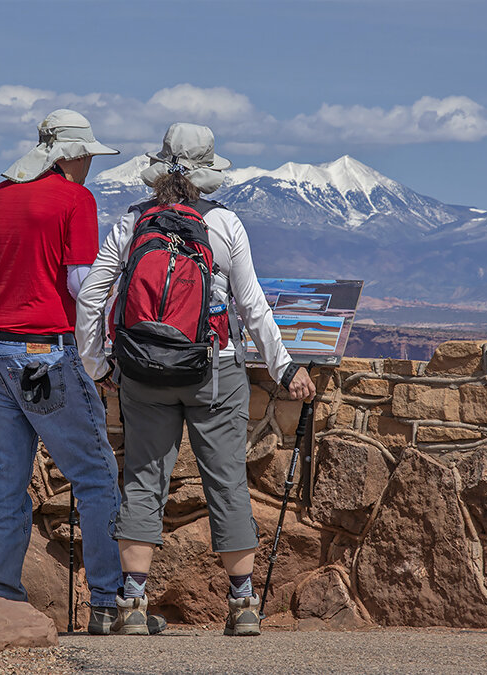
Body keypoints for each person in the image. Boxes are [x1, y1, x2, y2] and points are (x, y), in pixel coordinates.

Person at [76, 122, 317, 636]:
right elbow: (252, 306)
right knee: (226, 480)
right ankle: (243, 605)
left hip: (142, 370)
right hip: (214, 368)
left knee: (143, 480)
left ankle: (133, 605)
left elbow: (92, 295)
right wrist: (286, 367)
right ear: (208, 173)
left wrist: (99, 364)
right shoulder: (226, 225)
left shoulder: (134, 221)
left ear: (160, 168)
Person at [0, 109, 163, 635]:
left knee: (6, 478)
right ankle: (107, 603)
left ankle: (3, 592)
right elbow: (82, 285)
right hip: (43, 352)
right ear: (71, 155)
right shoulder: (75, 200)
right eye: (88, 156)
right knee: (96, 475)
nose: (90, 166)